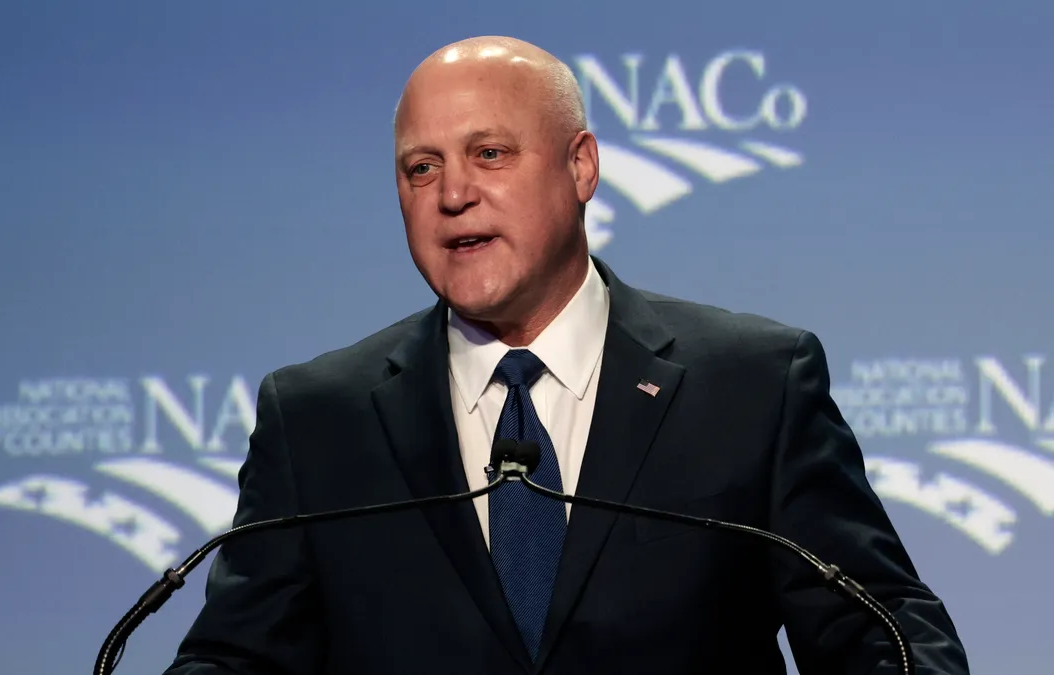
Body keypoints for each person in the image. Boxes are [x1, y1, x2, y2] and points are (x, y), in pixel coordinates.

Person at [163, 36, 968, 674]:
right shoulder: (316, 420)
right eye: (421, 167)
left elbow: (889, 637)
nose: (452, 194)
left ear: (580, 166)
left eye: (490, 154)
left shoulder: (754, 385)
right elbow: (235, 659)